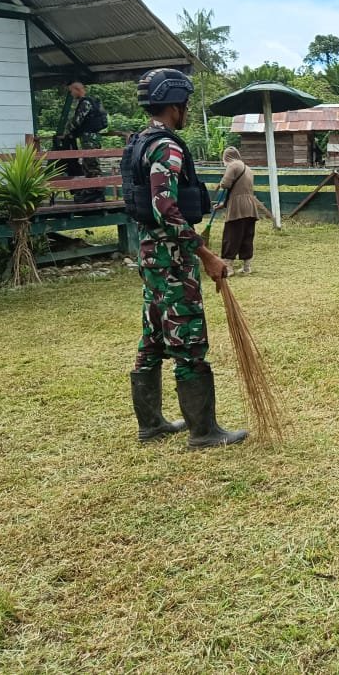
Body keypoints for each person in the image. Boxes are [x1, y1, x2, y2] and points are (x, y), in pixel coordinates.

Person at [122, 68, 248, 449]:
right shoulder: (167, 147)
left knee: (153, 335)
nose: (187, 109)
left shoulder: (139, 141)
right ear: (175, 105)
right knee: (188, 337)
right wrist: (206, 254)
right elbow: (165, 207)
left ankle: (151, 423)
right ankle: (203, 430)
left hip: (149, 254)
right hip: (173, 258)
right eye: (187, 103)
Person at [217, 146, 258, 275]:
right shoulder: (248, 168)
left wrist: (221, 182)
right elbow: (240, 189)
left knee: (231, 235)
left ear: (226, 157)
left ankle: (228, 268)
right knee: (247, 235)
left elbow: (226, 184)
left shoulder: (233, 166)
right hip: (250, 206)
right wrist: (223, 205)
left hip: (237, 208)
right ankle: (247, 267)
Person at [62, 80, 105, 203]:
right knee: (88, 163)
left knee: (91, 163)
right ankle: (92, 191)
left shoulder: (85, 102)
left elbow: (77, 120)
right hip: (89, 137)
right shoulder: (89, 102)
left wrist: (68, 132)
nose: (71, 94)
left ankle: (96, 191)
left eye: (71, 91)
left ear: (77, 90)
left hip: (90, 138)